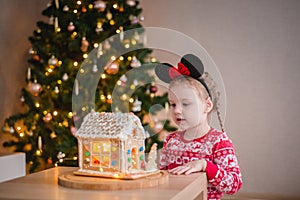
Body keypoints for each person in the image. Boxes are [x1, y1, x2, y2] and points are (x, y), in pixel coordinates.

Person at [155, 54, 242, 200]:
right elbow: (162, 178)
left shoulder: (219, 142)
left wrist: (205, 166)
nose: (176, 110)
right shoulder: (170, 141)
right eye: (173, 104)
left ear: (207, 105)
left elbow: (234, 184)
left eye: (186, 104)